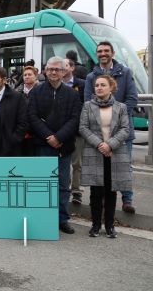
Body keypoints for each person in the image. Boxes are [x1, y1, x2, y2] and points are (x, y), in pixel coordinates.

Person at [28, 56, 82, 235]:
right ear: (44, 70)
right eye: (50, 69)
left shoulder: (72, 94)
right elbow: (33, 117)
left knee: (62, 184)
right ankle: (43, 218)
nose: (53, 72)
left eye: (57, 69)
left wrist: (59, 137)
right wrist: (48, 136)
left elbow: (75, 119)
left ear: (64, 71)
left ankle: (62, 219)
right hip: (42, 145)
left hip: (63, 146)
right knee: (42, 183)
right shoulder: (36, 92)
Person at [84, 41, 138, 214]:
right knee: (101, 168)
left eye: (106, 51)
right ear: (96, 54)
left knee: (124, 166)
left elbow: (132, 98)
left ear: (113, 53)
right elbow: (87, 101)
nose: (103, 54)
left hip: (122, 130)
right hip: (98, 132)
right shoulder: (91, 76)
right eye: (100, 51)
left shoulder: (125, 72)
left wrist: (118, 117)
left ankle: (127, 200)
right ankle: (103, 200)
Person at [79, 75, 131, 238]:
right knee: (96, 191)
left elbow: (125, 129)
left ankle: (109, 226)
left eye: (103, 85)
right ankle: (95, 225)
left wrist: (110, 144)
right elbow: (83, 128)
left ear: (111, 87)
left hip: (114, 153)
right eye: (96, 85)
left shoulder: (121, 107)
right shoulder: (87, 106)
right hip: (95, 152)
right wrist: (100, 144)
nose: (99, 88)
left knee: (111, 191)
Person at [63, 58, 86, 205]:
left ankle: (76, 191)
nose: (61, 68)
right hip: (61, 131)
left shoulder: (82, 85)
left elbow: (84, 106)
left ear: (72, 68)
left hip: (77, 130)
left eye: (64, 66)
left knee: (77, 162)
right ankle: (65, 189)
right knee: (63, 162)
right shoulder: (56, 84)